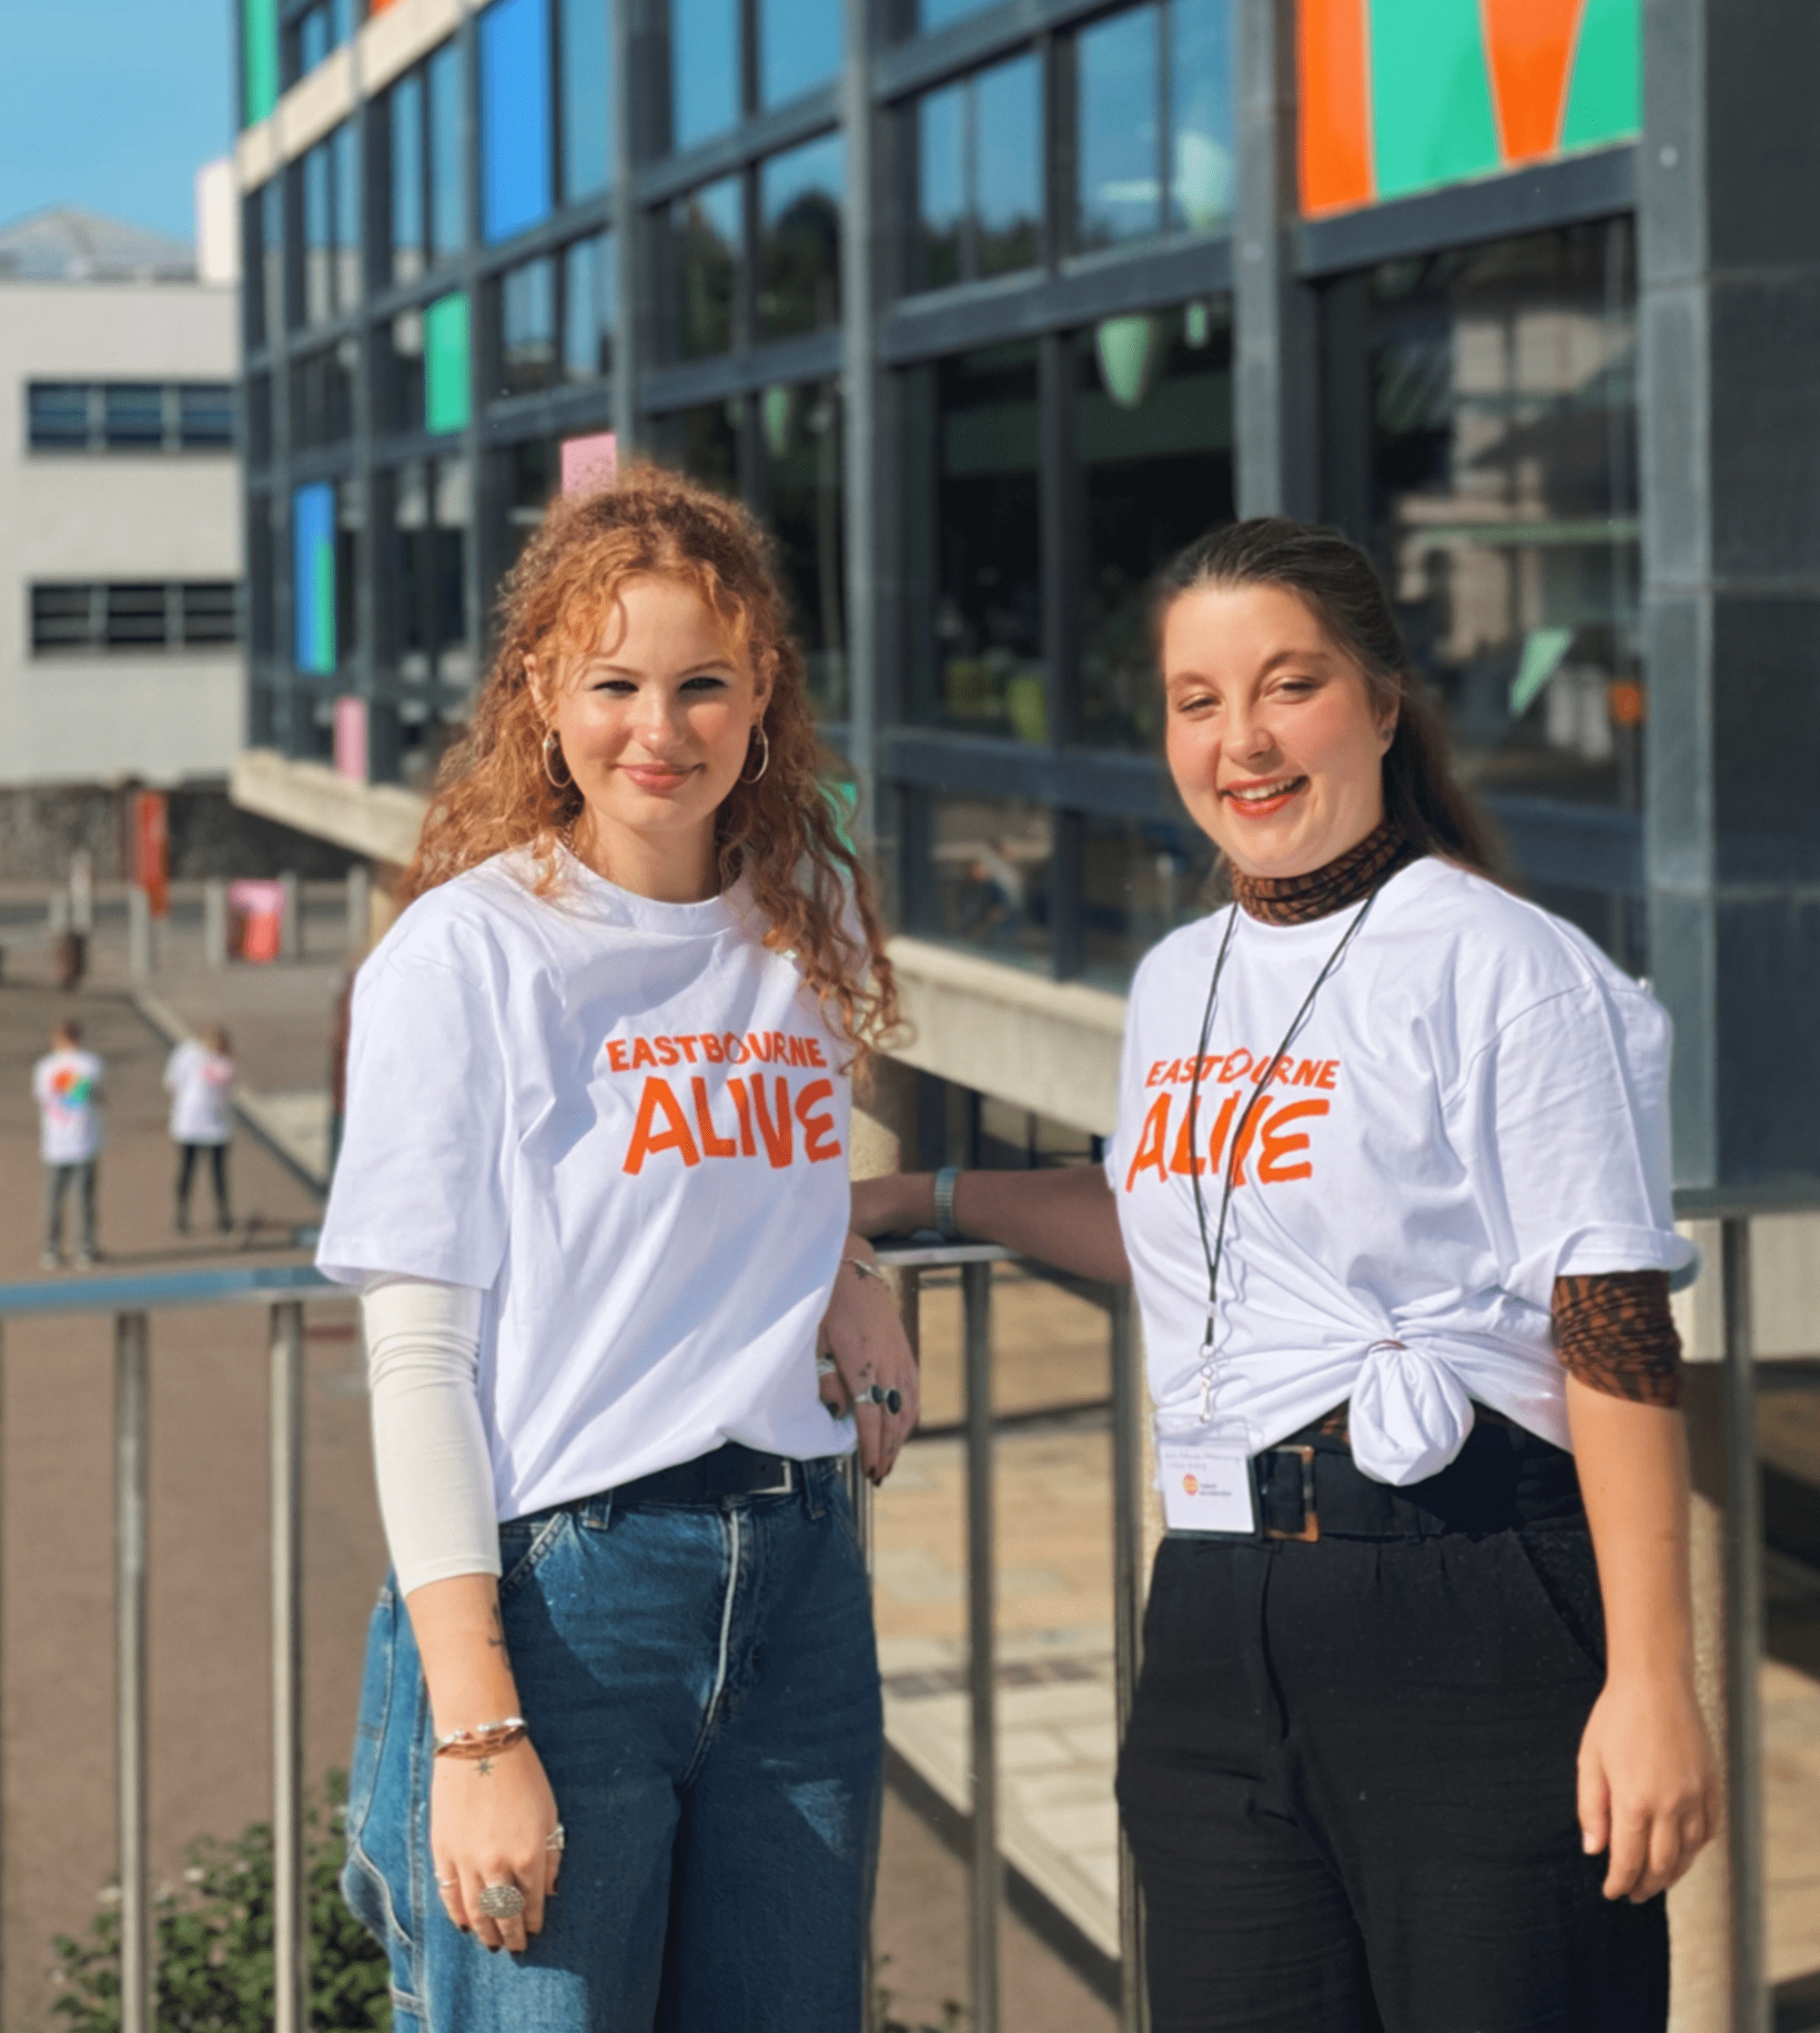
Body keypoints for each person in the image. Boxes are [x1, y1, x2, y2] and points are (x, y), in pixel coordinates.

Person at [854, 516, 1715, 2033]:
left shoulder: (1503, 964)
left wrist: (1653, 1683)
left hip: (1467, 1611)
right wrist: (921, 1195)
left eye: (1289, 686)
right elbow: (1166, 1223)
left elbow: (1615, 1323)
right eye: (1198, 701)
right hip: (1211, 1618)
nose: (1242, 740)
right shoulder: (1178, 978)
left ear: (1383, 704)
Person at [318, 465, 916, 2033]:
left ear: (763, 690)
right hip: (568, 1605)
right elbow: (418, 1355)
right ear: (541, 693)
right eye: (617, 684)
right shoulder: (469, 954)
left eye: (703, 683)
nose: (662, 728)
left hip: (799, 1584)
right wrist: (473, 1729)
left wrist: (847, 1261)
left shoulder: (803, 938)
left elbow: (736, 1174)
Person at [35, 1016, 104, 1270]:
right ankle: (85, 1249)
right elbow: (93, 1095)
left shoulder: (45, 1066)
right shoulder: (90, 1063)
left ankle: (51, 1250)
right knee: (85, 1200)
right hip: (84, 1140)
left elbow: (43, 1098)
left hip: (55, 1141)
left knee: (53, 1199)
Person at [166, 1025, 235, 1235]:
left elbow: (225, 1086)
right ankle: (181, 1215)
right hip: (189, 1125)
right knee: (187, 1170)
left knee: (218, 1174)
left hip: (216, 1127)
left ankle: (223, 1216)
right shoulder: (188, 1053)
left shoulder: (225, 1063)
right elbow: (172, 1081)